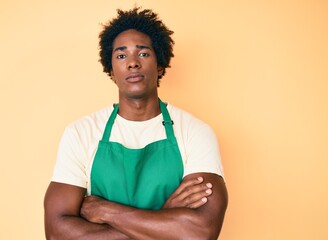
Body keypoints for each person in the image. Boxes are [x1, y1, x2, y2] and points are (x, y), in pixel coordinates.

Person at [44, 7, 228, 240]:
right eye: (121, 55)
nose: (132, 63)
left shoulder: (196, 132)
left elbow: (201, 232)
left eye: (143, 54)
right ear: (111, 71)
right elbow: (56, 233)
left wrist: (105, 210)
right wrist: (164, 220)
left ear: (160, 64)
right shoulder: (81, 133)